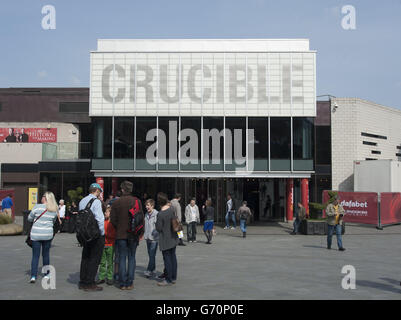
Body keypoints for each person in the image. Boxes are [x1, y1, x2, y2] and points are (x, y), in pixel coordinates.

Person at [110, 180, 143, 290]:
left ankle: (122, 283)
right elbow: (141, 218)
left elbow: (113, 220)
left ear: (122, 190)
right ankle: (130, 282)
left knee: (122, 258)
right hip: (133, 234)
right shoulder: (137, 201)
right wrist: (140, 232)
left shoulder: (116, 203)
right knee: (132, 257)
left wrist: (119, 227)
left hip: (120, 234)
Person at [78, 183, 105, 292]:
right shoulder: (96, 202)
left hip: (84, 234)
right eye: (100, 192)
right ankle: (90, 282)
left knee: (85, 256)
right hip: (94, 234)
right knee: (94, 258)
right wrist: (102, 233)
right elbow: (100, 219)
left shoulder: (82, 201)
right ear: (97, 191)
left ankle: (83, 281)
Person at [27, 192, 59, 283]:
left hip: (36, 234)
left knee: (35, 256)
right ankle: (46, 274)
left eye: (43, 196)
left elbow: (29, 218)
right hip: (47, 234)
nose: (41, 197)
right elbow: (53, 221)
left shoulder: (37, 207)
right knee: (45, 255)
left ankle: (33, 276)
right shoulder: (54, 209)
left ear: (45, 198)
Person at [156, 192, 178, 286]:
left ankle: (168, 279)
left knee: (167, 259)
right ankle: (173, 277)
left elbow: (159, 228)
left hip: (165, 239)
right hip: (173, 237)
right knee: (173, 257)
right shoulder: (171, 210)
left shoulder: (160, 214)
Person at [97, 206, 116, 286]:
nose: (105, 213)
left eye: (107, 212)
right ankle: (101, 276)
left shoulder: (112, 223)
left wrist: (105, 234)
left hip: (110, 244)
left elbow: (113, 234)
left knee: (110, 262)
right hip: (103, 244)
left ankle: (109, 277)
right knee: (102, 262)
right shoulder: (103, 221)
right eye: (105, 212)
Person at [144, 199, 159, 278]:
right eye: (146, 205)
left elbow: (158, 227)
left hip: (154, 239)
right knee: (151, 255)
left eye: (148, 205)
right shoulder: (146, 214)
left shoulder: (156, 214)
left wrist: (155, 235)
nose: (147, 207)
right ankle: (153, 269)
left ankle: (149, 270)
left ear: (152, 206)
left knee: (152, 255)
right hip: (147, 237)